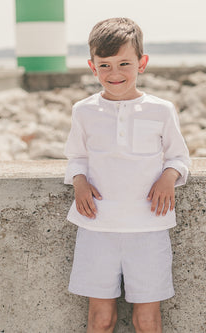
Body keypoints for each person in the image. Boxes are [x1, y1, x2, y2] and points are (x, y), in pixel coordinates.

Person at [64, 17, 190, 333]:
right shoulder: (83, 110)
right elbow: (76, 157)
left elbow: (179, 156)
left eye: (124, 63)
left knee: (147, 320)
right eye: (104, 65)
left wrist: (168, 176)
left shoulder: (161, 110)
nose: (114, 73)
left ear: (141, 63)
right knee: (100, 319)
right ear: (92, 67)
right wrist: (79, 181)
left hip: (149, 227)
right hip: (97, 226)